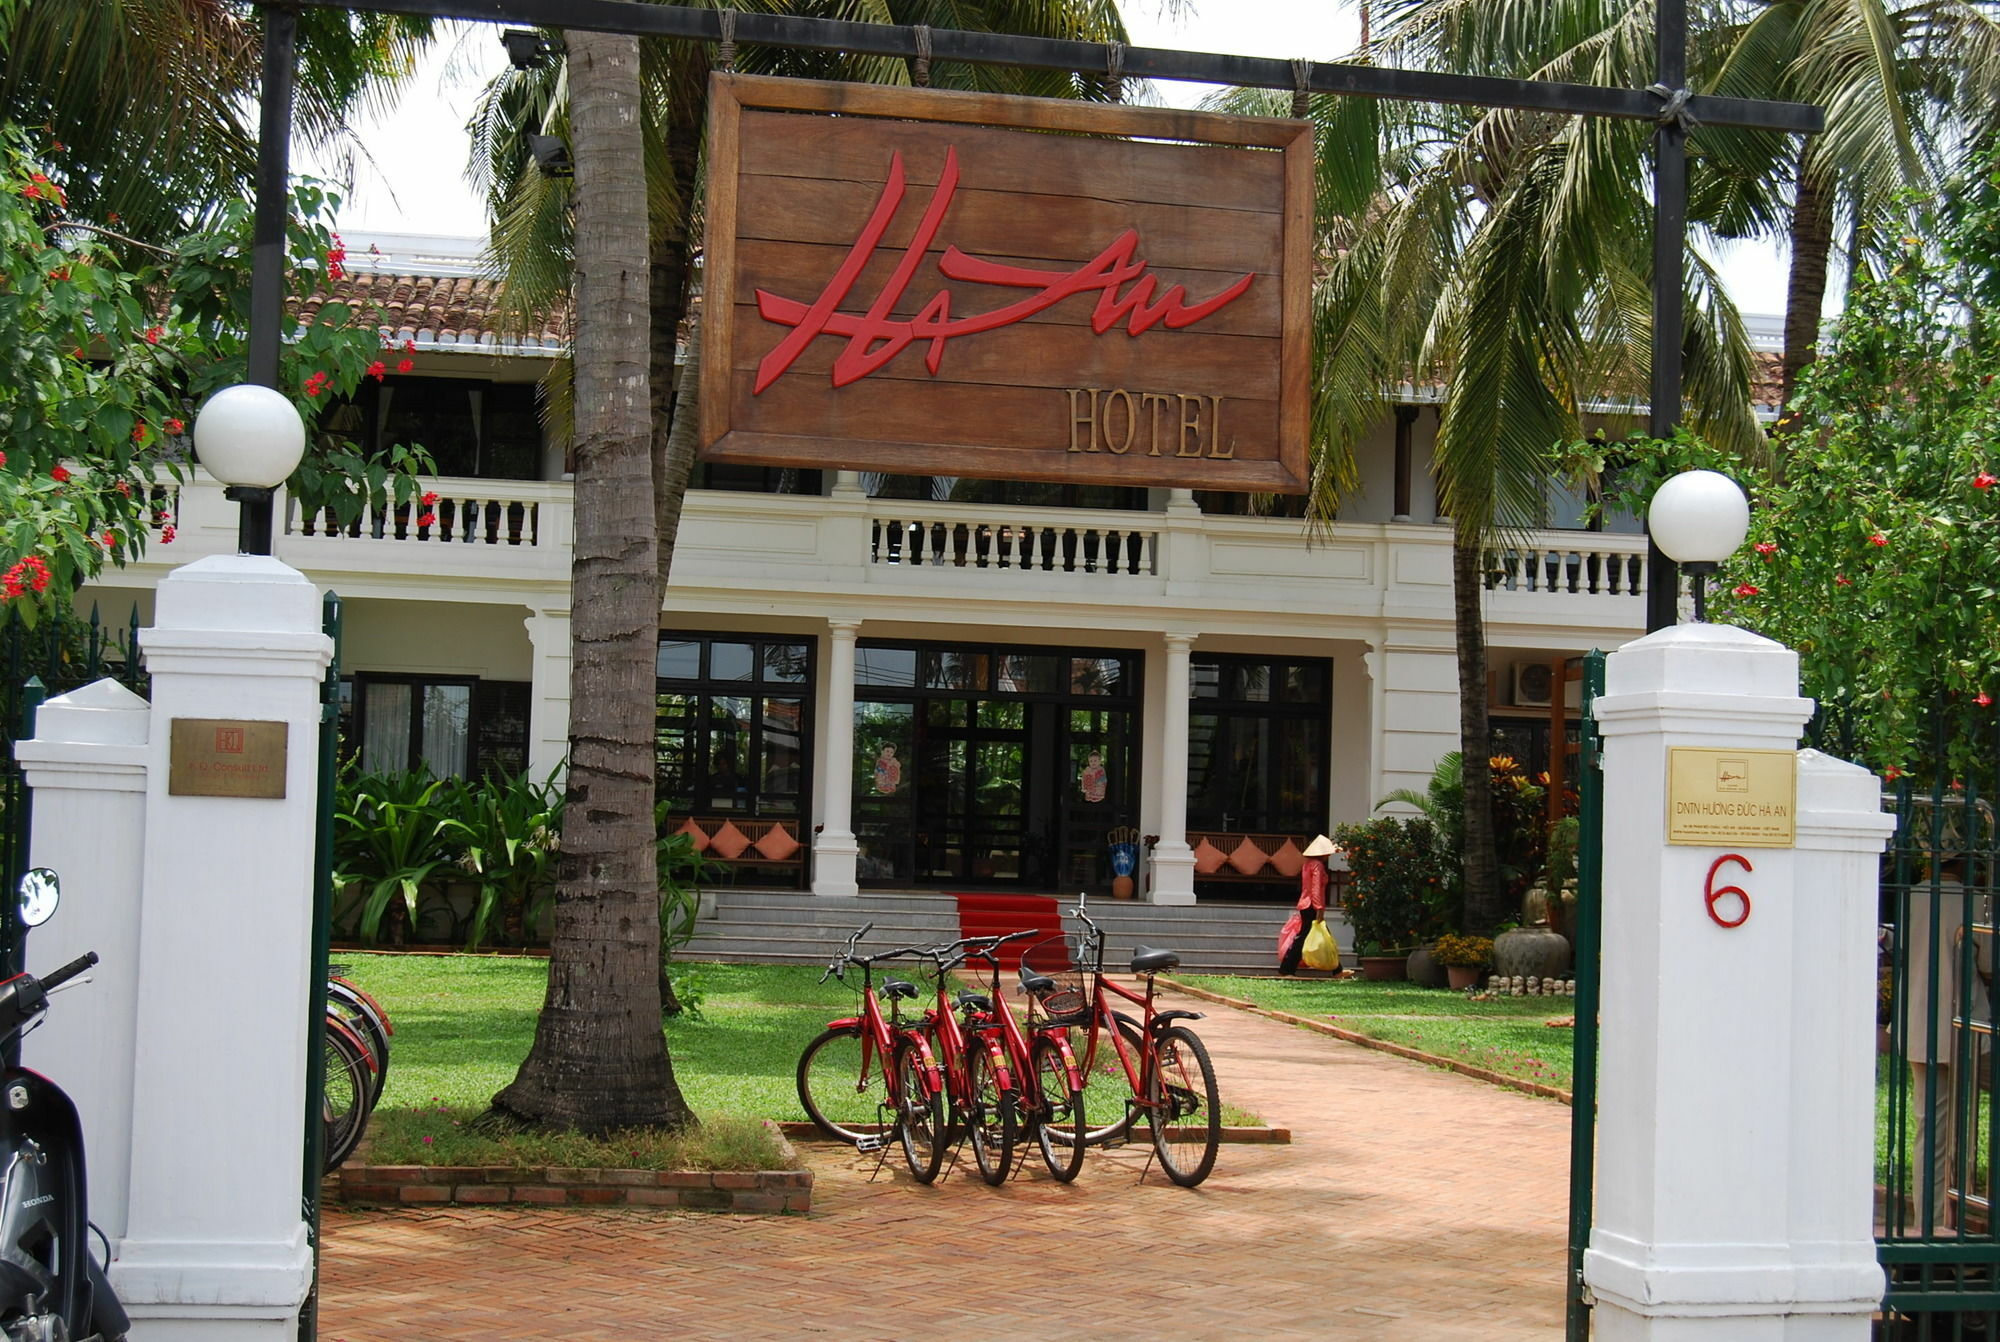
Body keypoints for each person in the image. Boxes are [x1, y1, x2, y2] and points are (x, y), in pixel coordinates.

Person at [1277, 834, 1338, 975]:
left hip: (1306, 904)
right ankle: (1286, 969)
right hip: (1311, 905)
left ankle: (1337, 969)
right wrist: (1320, 908)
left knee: (1323, 935)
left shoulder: (1308, 864)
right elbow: (1315, 888)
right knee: (1304, 937)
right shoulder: (1318, 866)